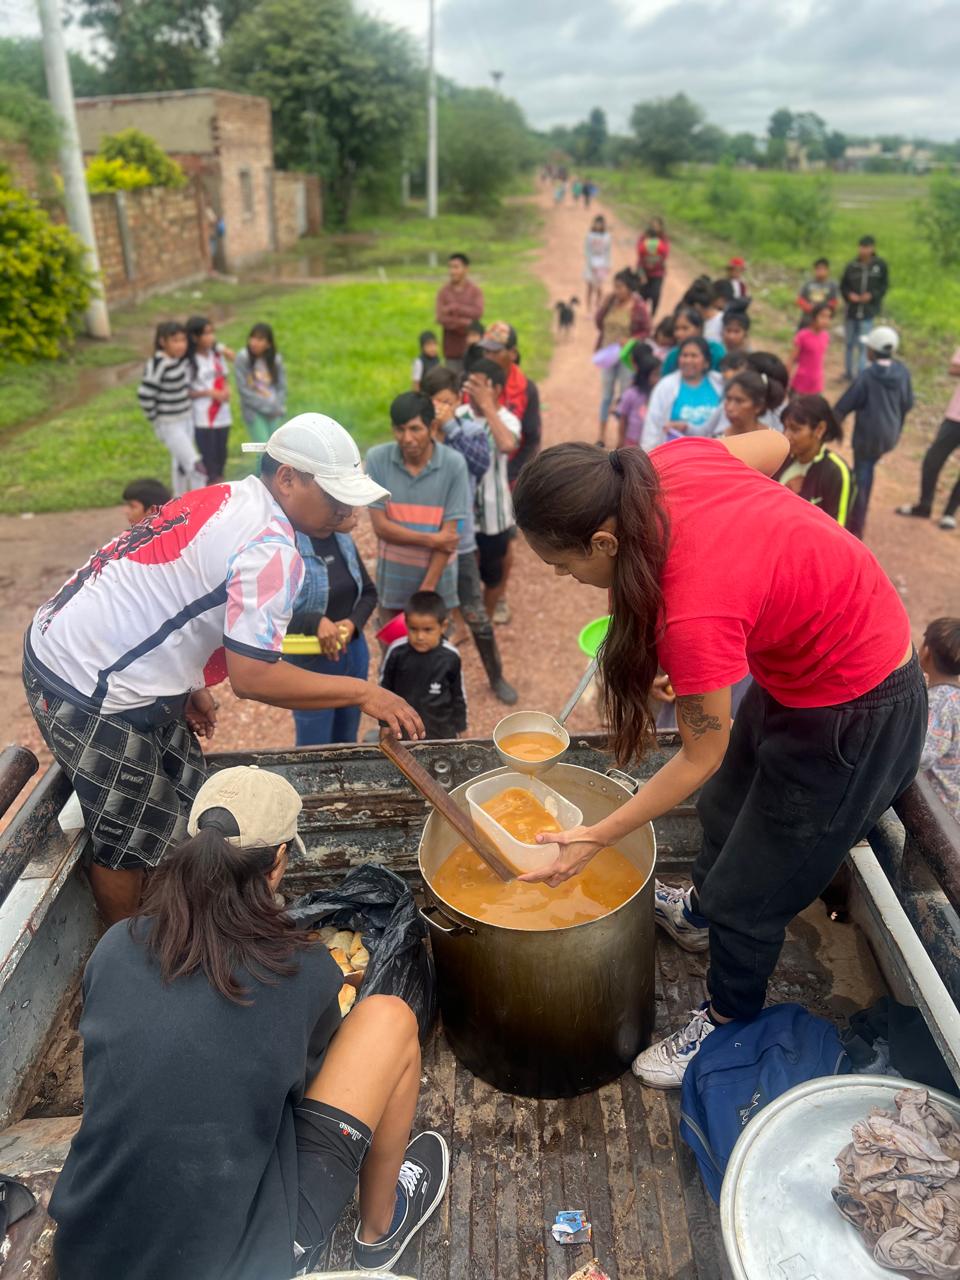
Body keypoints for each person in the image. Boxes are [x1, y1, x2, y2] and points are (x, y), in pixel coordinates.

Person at [511, 438, 924, 1089]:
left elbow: (698, 756)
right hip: (795, 670)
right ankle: (698, 916)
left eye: (564, 567)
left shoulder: (691, 612)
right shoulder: (662, 466)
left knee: (753, 890)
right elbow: (776, 445)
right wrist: (767, 548)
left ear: (604, 542)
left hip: (859, 707)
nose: (568, 580)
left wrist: (594, 836)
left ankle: (729, 1019)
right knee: (725, 806)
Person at [49, 766, 449, 1280]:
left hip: (88, 1251)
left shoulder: (114, 947)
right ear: (279, 861)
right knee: (390, 1018)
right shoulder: (304, 969)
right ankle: (380, 1230)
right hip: (236, 1264)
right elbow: (306, 1092)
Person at [23, 415, 423, 924]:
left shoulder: (230, 495)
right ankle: (126, 949)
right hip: (83, 683)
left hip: (88, 646)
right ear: (287, 478)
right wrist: (364, 693)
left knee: (194, 802)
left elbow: (174, 593)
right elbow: (253, 678)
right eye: (335, 496)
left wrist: (188, 681)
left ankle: (191, 923)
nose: (347, 510)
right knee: (127, 834)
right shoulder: (271, 548)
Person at [422, 365, 517, 704]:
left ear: (457, 401)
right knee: (425, 613)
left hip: (459, 544)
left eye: (447, 402)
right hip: (422, 541)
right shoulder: (418, 436)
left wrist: (448, 426)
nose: (441, 409)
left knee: (476, 613)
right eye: (435, 402)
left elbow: (478, 465)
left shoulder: (470, 431)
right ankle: (424, 683)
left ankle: (496, 676)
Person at [365, 392, 470, 624]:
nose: (407, 438)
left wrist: (426, 591)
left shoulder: (454, 465)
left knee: (432, 644)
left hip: (436, 588)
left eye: (415, 429)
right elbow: (381, 528)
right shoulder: (377, 459)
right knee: (392, 645)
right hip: (392, 585)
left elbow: (449, 538)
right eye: (400, 430)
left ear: (432, 427)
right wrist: (433, 539)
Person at [285, 511, 378, 746]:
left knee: (347, 740)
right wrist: (314, 621)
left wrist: (352, 623)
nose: (356, 514)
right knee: (313, 746)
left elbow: (369, 593)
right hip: (311, 663)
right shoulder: (287, 545)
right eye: (349, 507)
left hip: (353, 652)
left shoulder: (343, 539)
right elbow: (268, 615)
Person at [834, 325, 913, 539]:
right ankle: (857, 520)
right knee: (868, 468)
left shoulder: (868, 376)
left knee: (862, 477)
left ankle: (856, 528)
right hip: (890, 435)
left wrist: (831, 423)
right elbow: (908, 403)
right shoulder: (902, 372)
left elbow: (845, 404)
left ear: (871, 351)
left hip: (867, 437)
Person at [462, 359, 522, 620]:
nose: (472, 390)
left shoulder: (508, 420)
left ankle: (486, 616)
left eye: (479, 385)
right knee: (463, 568)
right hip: (462, 511)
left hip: (493, 514)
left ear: (496, 389)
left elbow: (508, 444)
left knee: (493, 571)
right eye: (470, 384)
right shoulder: (458, 415)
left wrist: (487, 407)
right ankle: (466, 616)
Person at [380, 591, 467, 740]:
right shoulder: (396, 651)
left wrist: (461, 728)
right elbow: (385, 689)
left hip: (441, 732)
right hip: (403, 730)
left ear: (443, 626)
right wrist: (385, 724)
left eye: (428, 630)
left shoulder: (451, 656)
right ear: (406, 624)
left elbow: (458, 695)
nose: (420, 637)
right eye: (413, 629)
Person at [137, 321, 206, 497]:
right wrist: (156, 421)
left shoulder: (178, 361)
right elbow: (145, 395)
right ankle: (200, 504)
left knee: (180, 465)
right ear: (162, 341)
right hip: (170, 424)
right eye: (175, 341)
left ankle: (178, 501)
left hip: (186, 420)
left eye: (183, 340)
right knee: (197, 467)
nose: (181, 345)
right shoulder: (158, 364)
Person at [895, 345, 960, 531]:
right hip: (955, 416)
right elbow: (954, 368)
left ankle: (949, 513)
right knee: (932, 460)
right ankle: (925, 505)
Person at [779, 395, 855, 528]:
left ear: (820, 429)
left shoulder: (836, 472)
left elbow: (838, 529)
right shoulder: (780, 458)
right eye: (784, 428)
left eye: (795, 429)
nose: (786, 436)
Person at [595, 269, 651, 445]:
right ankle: (601, 436)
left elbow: (647, 330)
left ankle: (623, 438)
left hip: (627, 357)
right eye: (615, 286)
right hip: (608, 355)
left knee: (625, 396)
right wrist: (604, 304)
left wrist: (631, 339)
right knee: (606, 396)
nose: (616, 290)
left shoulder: (638, 306)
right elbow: (599, 322)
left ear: (629, 288)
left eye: (620, 287)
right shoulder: (610, 302)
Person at [642, 337, 723, 449]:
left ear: (706, 362)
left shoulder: (720, 383)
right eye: (684, 355)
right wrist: (648, 451)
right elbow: (652, 424)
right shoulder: (665, 386)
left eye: (694, 356)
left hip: (715, 452)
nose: (688, 360)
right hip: (676, 453)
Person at [918, 618, 960, 823]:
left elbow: (920, 756)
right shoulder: (954, 699)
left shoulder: (939, 703)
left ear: (926, 651)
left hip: (939, 814)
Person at [187, 315, 234, 486]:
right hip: (203, 418)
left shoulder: (216, 355)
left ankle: (219, 488)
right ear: (195, 337)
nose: (211, 337)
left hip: (223, 415)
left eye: (212, 332)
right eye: (206, 334)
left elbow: (224, 376)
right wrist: (208, 393)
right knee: (209, 463)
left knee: (221, 458)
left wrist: (227, 389)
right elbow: (186, 391)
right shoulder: (189, 361)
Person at [840, 235, 890, 380]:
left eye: (867, 247)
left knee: (864, 344)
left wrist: (872, 295)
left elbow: (884, 286)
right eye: (861, 247)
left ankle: (860, 376)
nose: (864, 250)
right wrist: (849, 295)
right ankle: (848, 373)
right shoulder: (852, 266)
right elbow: (843, 286)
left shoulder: (879, 266)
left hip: (868, 312)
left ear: (872, 248)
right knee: (849, 344)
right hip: (852, 311)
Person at [234, 322, 288, 450]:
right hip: (254, 411)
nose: (254, 342)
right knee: (262, 449)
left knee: (276, 450)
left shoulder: (275, 360)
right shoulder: (243, 358)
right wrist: (266, 407)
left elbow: (281, 386)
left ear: (268, 344)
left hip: (274, 410)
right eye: (252, 338)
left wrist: (277, 405)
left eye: (259, 339)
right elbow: (244, 390)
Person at [435, 253, 484, 374]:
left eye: (456, 267)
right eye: (450, 267)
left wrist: (455, 308)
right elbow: (441, 318)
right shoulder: (443, 292)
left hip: (473, 353)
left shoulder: (475, 291)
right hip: (451, 353)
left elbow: (478, 313)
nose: (452, 271)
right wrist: (467, 323)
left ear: (466, 269)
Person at [477, 321, 528, 422]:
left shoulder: (526, 389)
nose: (488, 358)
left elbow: (531, 431)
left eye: (495, 351)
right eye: (486, 351)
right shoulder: (473, 384)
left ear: (513, 353)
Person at [617, 342, 661, 448]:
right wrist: (621, 441)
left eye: (659, 374)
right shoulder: (631, 394)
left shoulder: (659, 394)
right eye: (655, 374)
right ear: (645, 374)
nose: (659, 378)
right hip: (632, 442)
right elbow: (623, 419)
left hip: (651, 443)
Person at [720, 369, 785, 437]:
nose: (730, 408)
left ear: (758, 406)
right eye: (728, 399)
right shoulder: (719, 438)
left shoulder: (772, 439)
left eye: (739, 401)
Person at [659, 309, 724, 375]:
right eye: (676, 328)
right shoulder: (673, 355)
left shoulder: (715, 350)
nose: (679, 334)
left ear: (699, 329)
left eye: (685, 328)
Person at [787, 302, 832, 395]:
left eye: (828, 317)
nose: (826, 320)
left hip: (816, 383)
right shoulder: (803, 336)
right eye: (822, 316)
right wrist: (785, 380)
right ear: (814, 317)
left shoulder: (826, 336)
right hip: (800, 382)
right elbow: (791, 360)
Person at [636, 218, 669, 317]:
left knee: (655, 294)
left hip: (658, 273)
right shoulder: (644, 237)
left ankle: (652, 316)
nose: (654, 227)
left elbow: (665, 254)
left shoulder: (663, 239)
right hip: (643, 271)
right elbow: (639, 253)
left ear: (661, 227)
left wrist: (653, 260)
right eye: (653, 225)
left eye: (656, 225)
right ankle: (641, 316)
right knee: (641, 295)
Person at [796, 257, 839, 326]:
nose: (820, 271)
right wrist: (809, 308)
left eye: (823, 269)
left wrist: (822, 310)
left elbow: (834, 301)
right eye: (818, 269)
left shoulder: (832, 285)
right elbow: (800, 299)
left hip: (823, 320)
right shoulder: (808, 284)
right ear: (814, 270)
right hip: (807, 319)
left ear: (827, 270)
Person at [584, 214, 612, 309]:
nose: (598, 226)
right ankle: (588, 308)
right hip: (591, 264)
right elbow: (587, 250)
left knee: (599, 287)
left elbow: (608, 251)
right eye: (597, 223)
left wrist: (608, 265)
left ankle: (598, 306)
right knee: (590, 287)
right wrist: (590, 263)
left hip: (602, 264)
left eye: (600, 224)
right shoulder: (590, 236)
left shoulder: (607, 236)